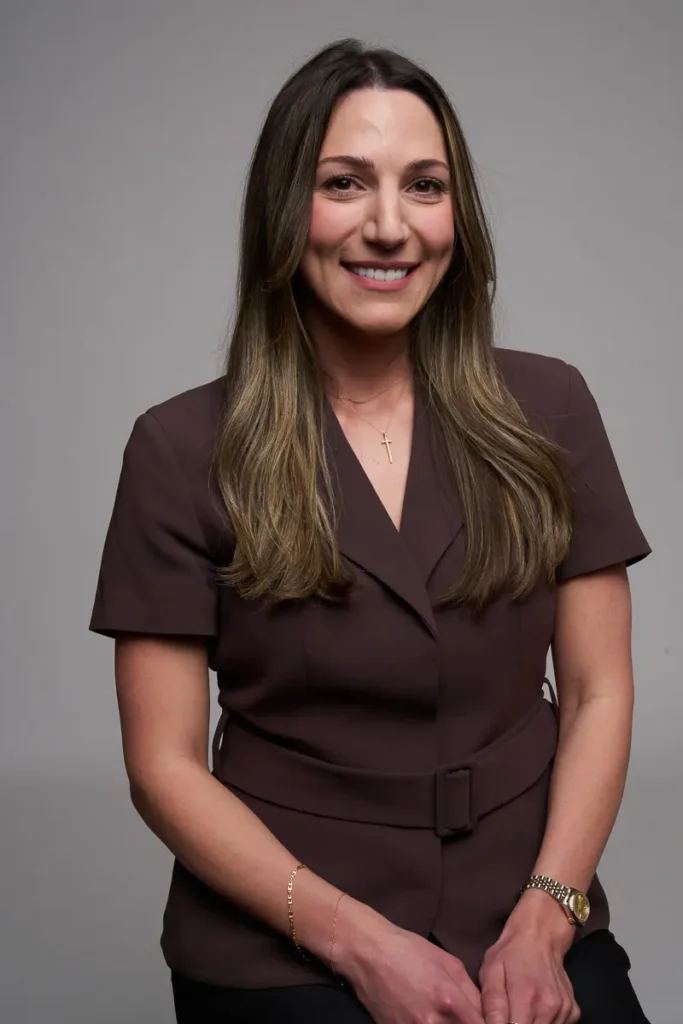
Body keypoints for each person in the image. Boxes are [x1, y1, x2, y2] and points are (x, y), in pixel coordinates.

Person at [88, 37, 653, 1024]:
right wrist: (357, 943)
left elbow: (600, 690)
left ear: (456, 215)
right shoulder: (177, 448)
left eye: (423, 186)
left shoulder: (551, 404)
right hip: (285, 939)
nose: (388, 227)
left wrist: (546, 914)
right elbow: (163, 764)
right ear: (283, 210)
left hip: (526, 909)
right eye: (343, 183)